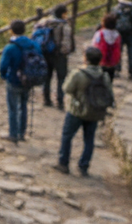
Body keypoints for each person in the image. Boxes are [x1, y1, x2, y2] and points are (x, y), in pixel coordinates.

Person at [55, 47, 115, 177]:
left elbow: (66, 88)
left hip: (77, 110)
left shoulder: (78, 74)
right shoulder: (104, 76)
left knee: (67, 136)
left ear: (86, 59)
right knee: (89, 139)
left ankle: (63, 163)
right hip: (94, 111)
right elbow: (110, 93)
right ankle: (84, 166)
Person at [0, 19, 43, 143]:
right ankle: (21, 133)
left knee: (13, 108)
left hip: (14, 79)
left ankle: (13, 133)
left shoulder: (10, 47)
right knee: (24, 106)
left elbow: (3, 65)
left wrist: (4, 75)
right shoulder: (33, 45)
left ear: (11, 31)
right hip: (28, 80)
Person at [34, 4, 74, 109]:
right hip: (59, 55)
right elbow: (66, 42)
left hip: (46, 53)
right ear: (62, 14)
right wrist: (65, 52)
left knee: (47, 77)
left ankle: (46, 99)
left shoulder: (44, 22)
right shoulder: (64, 25)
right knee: (61, 78)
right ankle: (60, 101)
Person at [91, 14, 122, 81]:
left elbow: (94, 44)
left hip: (101, 60)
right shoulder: (117, 34)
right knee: (110, 79)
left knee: (99, 79)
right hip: (112, 62)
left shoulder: (100, 33)